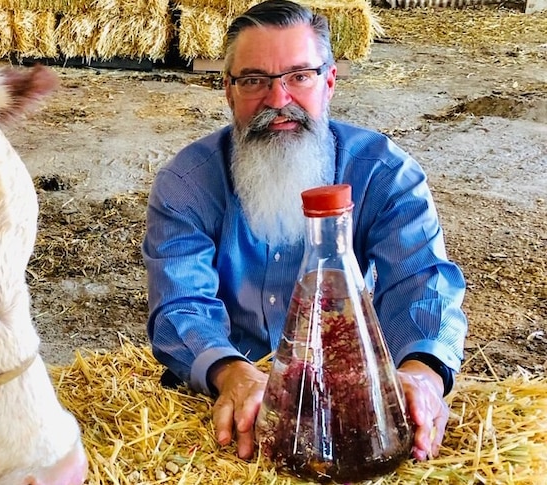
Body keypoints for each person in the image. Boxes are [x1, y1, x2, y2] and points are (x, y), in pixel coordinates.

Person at [142, 0, 468, 463]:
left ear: (329, 82)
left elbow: (421, 283)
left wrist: (420, 375)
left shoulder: (385, 173)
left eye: (299, 76)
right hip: (228, 386)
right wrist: (232, 373)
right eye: (254, 80)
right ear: (228, 91)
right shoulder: (187, 182)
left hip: (348, 384)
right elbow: (180, 305)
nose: (278, 101)